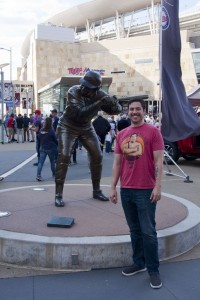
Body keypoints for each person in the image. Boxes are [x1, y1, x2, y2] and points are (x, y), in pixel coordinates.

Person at [110, 98, 164, 289]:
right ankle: (139, 262)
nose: (134, 112)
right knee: (134, 230)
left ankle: (153, 269)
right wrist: (113, 187)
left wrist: (157, 186)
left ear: (143, 110)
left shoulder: (153, 132)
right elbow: (117, 163)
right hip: (127, 190)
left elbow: (159, 162)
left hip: (146, 190)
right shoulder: (121, 134)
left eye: (138, 109)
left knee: (148, 232)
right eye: (131, 109)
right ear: (128, 112)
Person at [54, 70, 122, 207]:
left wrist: (113, 103)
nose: (84, 89)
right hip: (68, 125)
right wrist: (100, 102)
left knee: (97, 155)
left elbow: (116, 110)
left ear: (96, 89)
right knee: (64, 156)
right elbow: (80, 114)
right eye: (83, 85)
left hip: (86, 127)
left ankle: (96, 190)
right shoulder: (73, 91)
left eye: (88, 87)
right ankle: (58, 194)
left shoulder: (100, 95)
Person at [36, 117, 58, 181]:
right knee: (52, 162)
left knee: (40, 162)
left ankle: (38, 175)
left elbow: (38, 138)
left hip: (42, 147)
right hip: (50, 148)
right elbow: (55, 139)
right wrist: (57, 144)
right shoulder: (51, 131)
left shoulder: (41, 130)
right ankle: (54, 174)